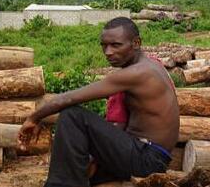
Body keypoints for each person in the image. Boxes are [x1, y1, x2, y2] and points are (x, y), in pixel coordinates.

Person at [18, 17, 180, 187]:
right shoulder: (151, 65)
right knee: (85, 170)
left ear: (136, 43)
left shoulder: (138, 73)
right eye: (104, 45)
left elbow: (68, 98)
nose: (108, 52)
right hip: (144, 153)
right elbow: (121, 124)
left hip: (148, 158)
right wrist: (95, 156)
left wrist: (33, 118)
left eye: (116, 45)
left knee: (73, 116)